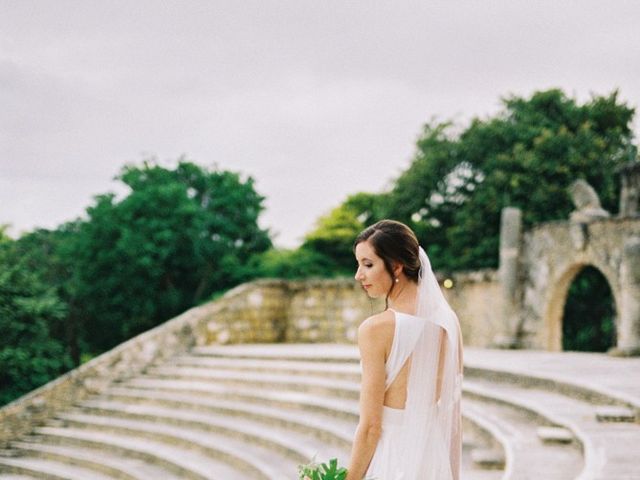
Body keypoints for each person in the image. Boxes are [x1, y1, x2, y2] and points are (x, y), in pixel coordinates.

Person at [346, 219, 463, 480]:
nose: (358, 275)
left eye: (368, 264)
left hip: (391, 459)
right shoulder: (449, 321)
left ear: (396, 266)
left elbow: (371, 428)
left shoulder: (375, 329)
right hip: (433, 459)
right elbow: (453, 414)